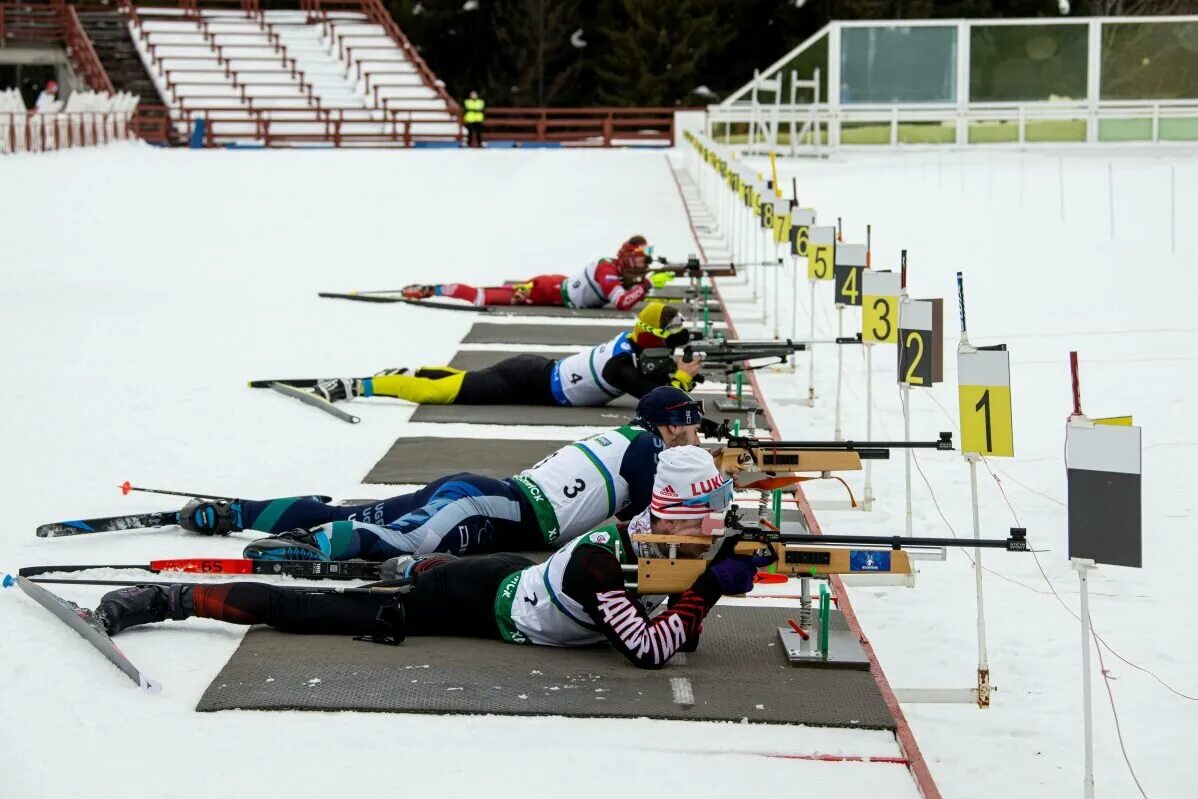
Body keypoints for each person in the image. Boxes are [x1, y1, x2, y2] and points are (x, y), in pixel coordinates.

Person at [95, 446, 775, 669]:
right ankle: (170, 597)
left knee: (426, 569)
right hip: (489, 599)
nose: (720, 527)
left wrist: (705, 582)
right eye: (712, 515)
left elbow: (672, 620)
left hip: (518, 574)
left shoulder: (659, 540)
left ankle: (406, 567)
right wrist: (711, 587)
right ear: (682, 512)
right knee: (318, 611)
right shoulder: (605, 562)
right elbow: (649, 649)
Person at [178, 387, 712, 561]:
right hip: (497, 508)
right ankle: (313, 545)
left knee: (352, 513)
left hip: (486, 494)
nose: (693, 436)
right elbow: (657, 523)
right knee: (408, 541)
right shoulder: (647, 450)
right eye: (686, 425)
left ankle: (232, 513)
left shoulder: (629, 440)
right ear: (664, 426)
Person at [310, 302, 703, 408]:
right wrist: (682, 377)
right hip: (527, 381)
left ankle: (415, 371)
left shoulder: (631, 344)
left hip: (536, 377)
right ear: (651, 337)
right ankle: (360, 384)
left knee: (459, 380)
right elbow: (653, 398)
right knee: (443, 394)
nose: (672, 346)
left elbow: (652, 376)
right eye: (668, 340)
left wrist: (675, 369)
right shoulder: (620, 365)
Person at [402, 235, 669, 310]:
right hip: (548, 291)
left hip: (557, 286)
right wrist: (646, 285)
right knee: (484, 296)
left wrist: (646, 282)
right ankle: (431, 289)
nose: (640, 266)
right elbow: (622, 302)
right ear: (625, 257)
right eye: (637, 261)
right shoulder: (607, 270)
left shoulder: (615, 269)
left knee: (490, 294)